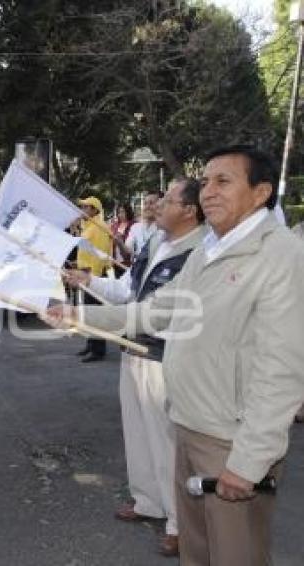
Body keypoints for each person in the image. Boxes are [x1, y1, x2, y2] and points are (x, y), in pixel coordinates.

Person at [49, 145, 304, 566]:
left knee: (235, 555)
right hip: (189, 426)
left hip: (231, 442)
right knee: (197, 552)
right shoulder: (209, 249)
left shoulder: (281, 257)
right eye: (205, 181)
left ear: (260, 193)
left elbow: (284, 370)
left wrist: (250, 460)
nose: (209, 191)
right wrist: (78, 314)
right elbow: (156, 309)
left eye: (224, 181)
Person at [64, 178, 205, 557]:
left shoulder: (199, 253)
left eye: (168, 200)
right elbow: (129, 291)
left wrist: (78, 315)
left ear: (190, 211)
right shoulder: (156, 244)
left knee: (170, 446)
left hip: (167, 360)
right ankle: (148, 502)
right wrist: (88, 280)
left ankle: (180, 523)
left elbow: (154, 315)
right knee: (139, 435)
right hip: (134, 353)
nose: (157, 206)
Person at [75, 196, 110, 362]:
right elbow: (85, 251)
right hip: (85, 274)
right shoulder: (88, 226)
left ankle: (98, 350)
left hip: (93, 275)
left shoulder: (99, 226)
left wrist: (92, 276)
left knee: (96, 312)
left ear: (95, 210)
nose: (82, 209)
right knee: (88, 311)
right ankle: (91, 344)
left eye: (86, 207)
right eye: (82, 207)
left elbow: (100, 253)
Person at [110, 201, 136, 276]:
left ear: (128, 212)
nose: (120, 215)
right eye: (119, 212)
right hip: (115, 260)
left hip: (127, 261)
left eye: (123, 212)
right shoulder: (115, 225)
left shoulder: (133, 225)